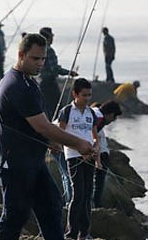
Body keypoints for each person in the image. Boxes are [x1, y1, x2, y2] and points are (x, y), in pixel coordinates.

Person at [0, 33, 94, 240]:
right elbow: (43, 127)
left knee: (51, 205)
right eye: (35, 58)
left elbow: (40, 125)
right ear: (21, 55)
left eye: (43, 59)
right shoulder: (17, 85)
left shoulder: (28, 82)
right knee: (15, 216)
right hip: (14, 162)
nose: (40, 63)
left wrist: (52, 141)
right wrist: (79, 144)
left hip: (33, 160)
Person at [58, 78, 99, 240]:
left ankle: (84, 233)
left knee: (88, 194)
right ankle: (71, 233)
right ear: (75, 94)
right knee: (78, 193)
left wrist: (95, 149)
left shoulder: (91, 113)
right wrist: (79, 149)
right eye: (84, 95)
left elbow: (95, 137)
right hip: (74, 157)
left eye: (89, 95)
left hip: (89, 157)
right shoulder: (67, 111)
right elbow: (60, 135)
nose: (87, 98)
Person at [38, 27, 77, 119]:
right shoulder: (49, 50)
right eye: (51, 36)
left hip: (41, 82)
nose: (52, 39)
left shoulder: (38, 49)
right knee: (57, 109)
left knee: (45, 108)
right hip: (50, 83)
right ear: (48, 37)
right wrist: (70, 73)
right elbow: (54, 69)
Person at [91, 100, 122, 208]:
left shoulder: (94, 111)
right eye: (114, 118)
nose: (112, 121)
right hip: (96, 153)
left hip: (94, 151)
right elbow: (90, 136)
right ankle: (96, 204)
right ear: (111, 114)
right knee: (98, 181)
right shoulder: (100, 119)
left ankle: (93, 203)